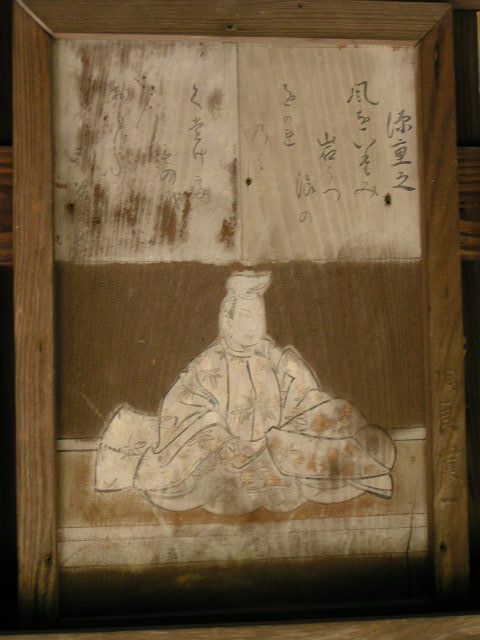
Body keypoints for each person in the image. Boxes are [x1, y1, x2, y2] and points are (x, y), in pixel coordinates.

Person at [96, 271, 395, 514]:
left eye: (257, 317)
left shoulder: (276, 358)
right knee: (204, 483)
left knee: (318, 446)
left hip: (273, 449)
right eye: (245, 317)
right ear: (227, 320)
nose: (252, 326)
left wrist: (297, 426)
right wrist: (220, 437)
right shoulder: (208, 364)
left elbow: (305, 399)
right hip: (223, 456)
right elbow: (185, 406)